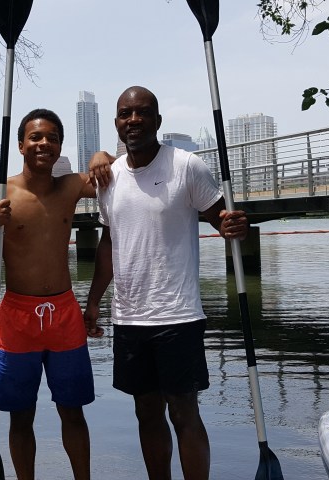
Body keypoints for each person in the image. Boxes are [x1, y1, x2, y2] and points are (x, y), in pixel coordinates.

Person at [84, 86, 249, 480]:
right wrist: (92, 303)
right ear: (117, 124)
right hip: (128, 317)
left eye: (142, 113)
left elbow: (219, 217)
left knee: (184, 411)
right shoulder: (107, 178)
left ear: (157, 121)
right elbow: (109, 242)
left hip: (178, 315)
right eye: (126, 114)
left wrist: (233, 224)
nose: (134, 120)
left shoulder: (187, 166)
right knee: (146, 413)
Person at [0, 108, 103, 480]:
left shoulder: (72, 187)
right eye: (36, 137)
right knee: (20, 414)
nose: (44, 143)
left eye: (53, 138)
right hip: (17, 318)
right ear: (21, 145)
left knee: (72, 411)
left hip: (64, 314)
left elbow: (115, 179)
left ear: (60, 146)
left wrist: (101, 157)